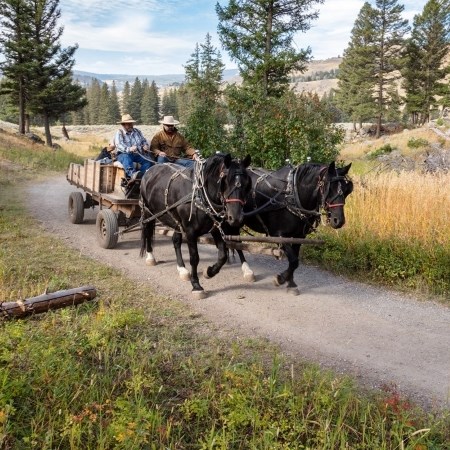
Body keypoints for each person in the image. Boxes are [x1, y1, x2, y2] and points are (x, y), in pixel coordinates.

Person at [114, 114, 154, 182]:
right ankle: (132, 174)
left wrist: (145, 145)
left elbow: (143, 140)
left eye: (131, 123)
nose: (131, 125)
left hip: (137, 154)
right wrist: (129, 149)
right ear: (123, 125)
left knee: (148, 161)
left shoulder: (137, 131)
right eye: (128, 124)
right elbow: (119, 145)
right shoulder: (120, 133)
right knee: (126, 158)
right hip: (123, 154)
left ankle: (141, 176)